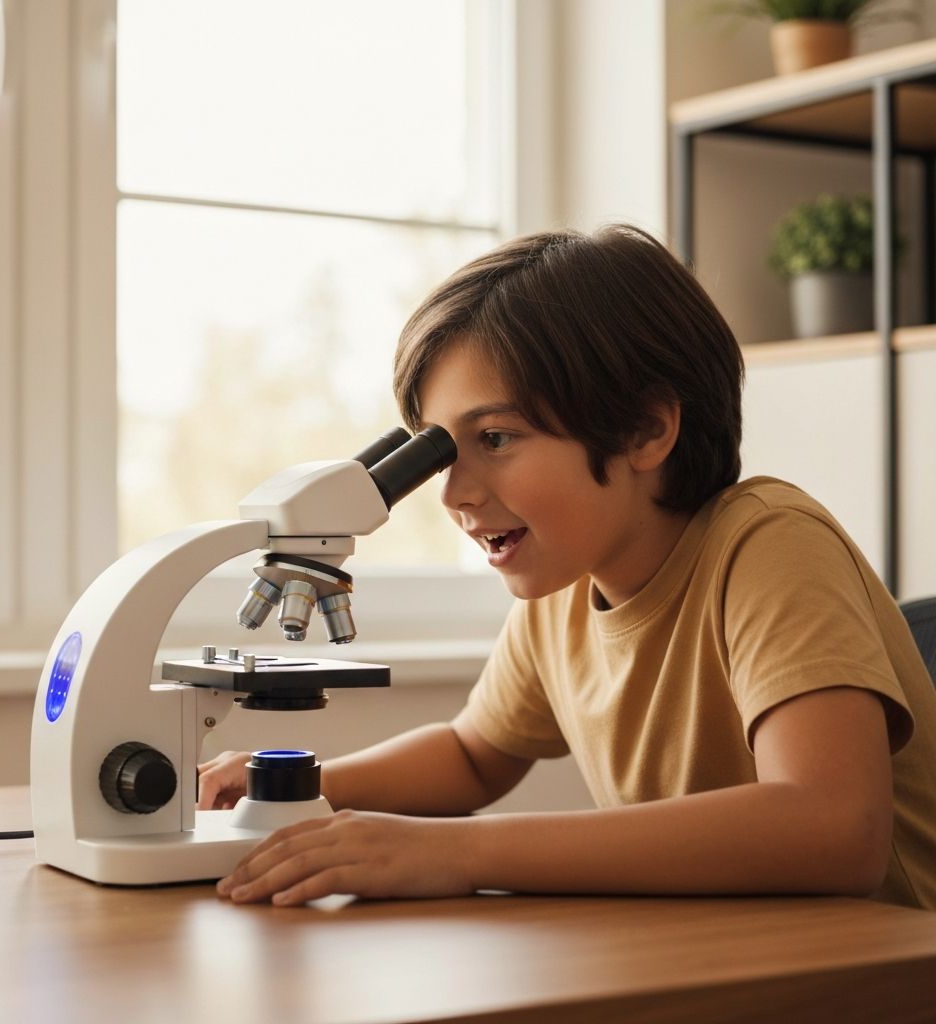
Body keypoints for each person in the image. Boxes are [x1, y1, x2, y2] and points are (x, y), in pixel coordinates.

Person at [198, 225, 936, 910]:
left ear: (647, 428)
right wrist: (290, 785)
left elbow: (834, 827)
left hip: (884, 968)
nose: (455, 493)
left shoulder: (768, 543)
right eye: (444, 453)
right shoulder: (562, 593)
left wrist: (457, 853)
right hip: (731, 955)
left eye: (495, 436)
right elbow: (472, 755)